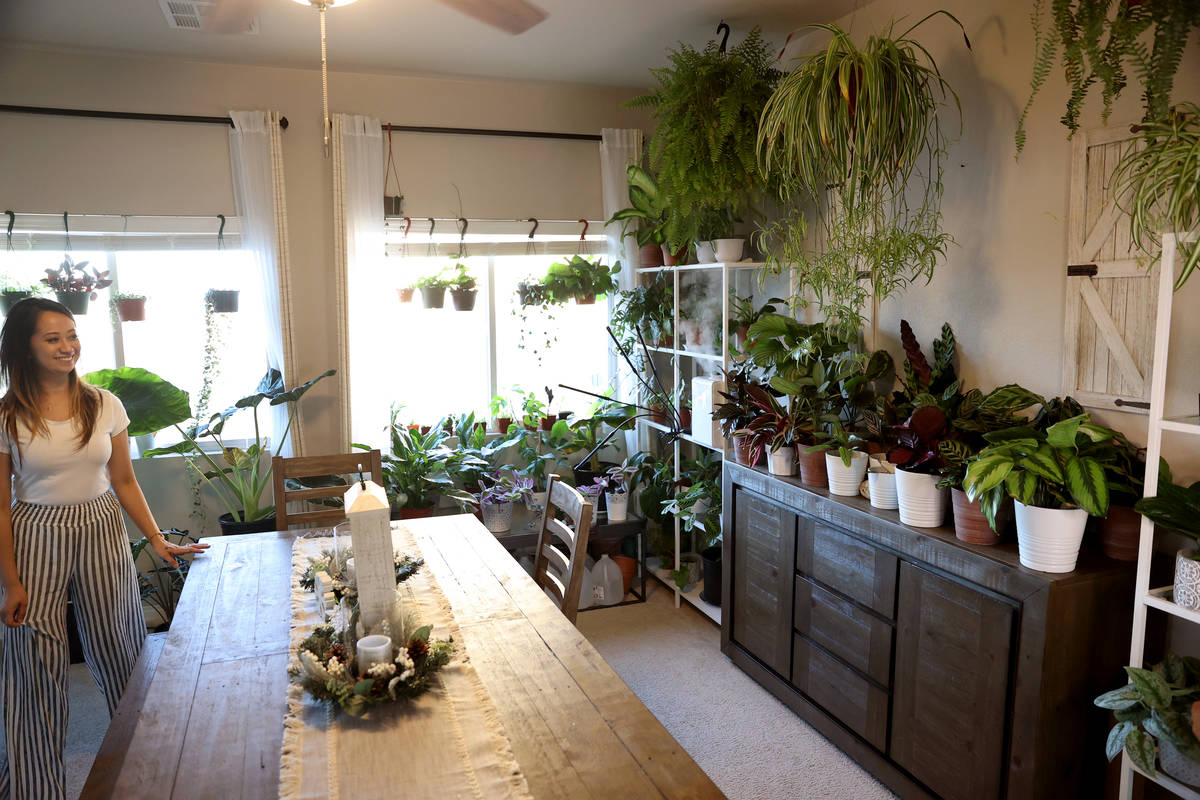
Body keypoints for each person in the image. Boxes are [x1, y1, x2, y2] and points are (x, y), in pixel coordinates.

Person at [0, 297, 209, 799]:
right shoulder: (7, 416)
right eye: (52, 338)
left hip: (101, 525)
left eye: (71, 335)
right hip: (35, 532)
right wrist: (10, 583)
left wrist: (157, 539)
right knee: (35, 661)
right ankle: (34, 787)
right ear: (25, 347)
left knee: (122, 645)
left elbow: (125, 480)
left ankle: (148, 768)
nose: (67, 346)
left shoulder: (104, 404)